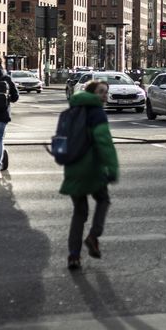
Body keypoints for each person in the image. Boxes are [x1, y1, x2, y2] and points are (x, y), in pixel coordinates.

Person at [59, 79, 119, 271]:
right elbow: (104, 143)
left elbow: (60, 142)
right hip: (92, 168)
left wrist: (65, 161)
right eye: (101, 91)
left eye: (106, 92)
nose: (104, 95)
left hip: (72, 168)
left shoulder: (68, 112)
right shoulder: (97, 113)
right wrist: (112, 168)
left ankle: (73, 256)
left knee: (79, 212)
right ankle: (93, 236)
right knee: (103, 200)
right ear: (92, 93)